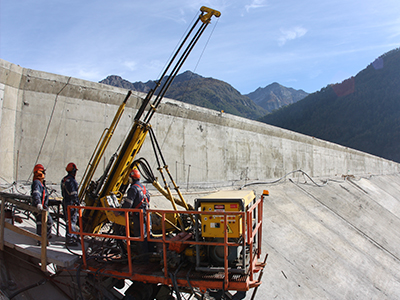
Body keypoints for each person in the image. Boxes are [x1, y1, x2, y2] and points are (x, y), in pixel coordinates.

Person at [122, 169, 151, 257]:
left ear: (131, 178)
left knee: (139, 236)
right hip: (146, 214)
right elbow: (148, 200)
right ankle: (146, 255)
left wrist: (119, 212)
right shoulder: (144, 187)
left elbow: (128, 204)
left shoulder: (133, 189)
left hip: (138, 216)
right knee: (145, 235)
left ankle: (141, 257)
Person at [31, 164, 53, 245]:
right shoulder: (37, 183)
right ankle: (42, 240)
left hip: (43, 207)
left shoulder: (40, 183)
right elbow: (36, 194)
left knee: (41, 223)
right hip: (40, 208)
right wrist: (38, 204)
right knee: (47, 222)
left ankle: (42, 239)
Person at [61, 162, 80, 246]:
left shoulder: (64, 179)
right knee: (72, 221)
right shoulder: (72, 181)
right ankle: (70, 239)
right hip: (71, 203)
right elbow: (73, 194)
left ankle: (71, 237)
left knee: (68, 220)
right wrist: (77, 203)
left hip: (65, 202)